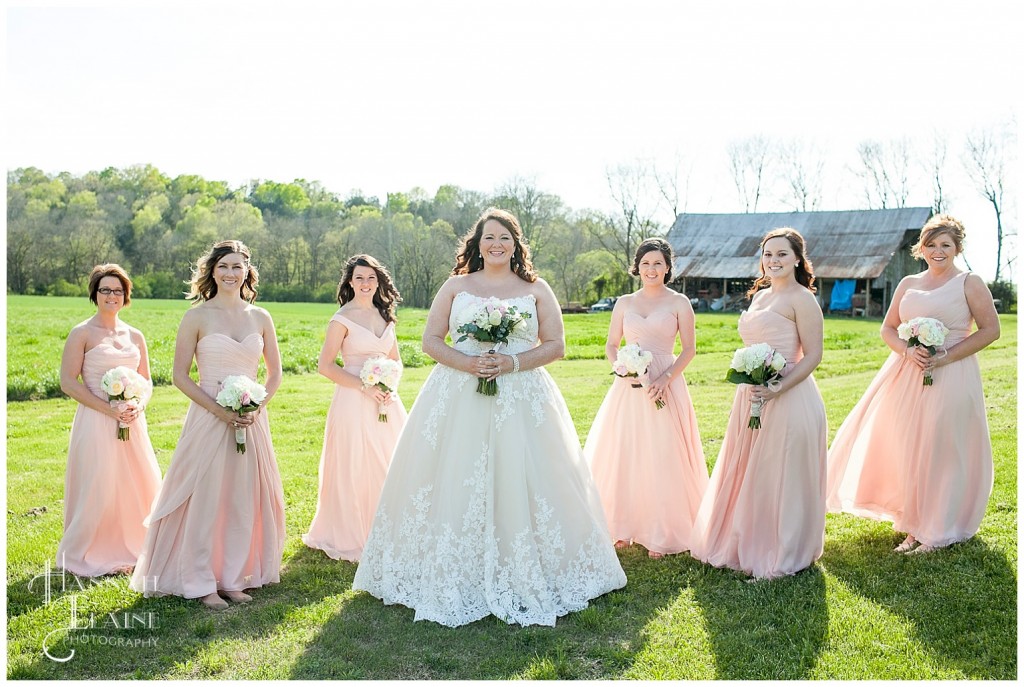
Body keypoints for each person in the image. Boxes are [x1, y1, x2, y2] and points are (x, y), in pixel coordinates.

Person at [352, 208, 626, 627]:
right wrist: (468, 364)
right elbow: (430, 340)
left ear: (516, 244)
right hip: (458, 392)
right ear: (476, 245)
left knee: (527, 477)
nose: (496, 245)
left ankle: (534, 568)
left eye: (504, 238)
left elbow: (555, 345)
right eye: (488, 238)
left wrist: (512, 363)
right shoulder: (456, 285)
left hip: (522, 395)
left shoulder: (536, 289)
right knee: (456, 475)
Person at [826, 214, 999, 554]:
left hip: (951, 373)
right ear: (921, 247)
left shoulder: (969, 282)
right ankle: (912, 523)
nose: (938, 251)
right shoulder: (908, 283)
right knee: (907, 447)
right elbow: (887, 329)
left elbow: (991, 330)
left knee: (940, 447)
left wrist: (946, 356)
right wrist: (908, 352)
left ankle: (936, 528)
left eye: (945, 245)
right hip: (906, 374)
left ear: (957, 248)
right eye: (931, 244)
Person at [130, 240, 286, 610]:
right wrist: (219, 410)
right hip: (208, 416)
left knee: (240, 498)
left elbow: (275, 373)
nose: (231, 273)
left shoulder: (260, 317)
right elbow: (180, 376)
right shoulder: (196, 317)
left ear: (247, 271)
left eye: (237, 267)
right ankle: (200, 581)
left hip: (250, 421)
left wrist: (256, 406)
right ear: (212, 271)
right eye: (223, 267)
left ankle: (232, 578)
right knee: (204, 498)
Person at [689, 228, 827, 580]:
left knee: (779, 474)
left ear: (797, 258)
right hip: (751, 396)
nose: (773, 261)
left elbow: (813, 356)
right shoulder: (761, 297)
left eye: (781, 254)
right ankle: (744, 540)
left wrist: (777, 387)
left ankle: (782, 553)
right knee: (750, 470)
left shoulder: (802, 299)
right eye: (768, 255)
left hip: (789, 395)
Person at [584, 238, 708, 558]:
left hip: (666, 381)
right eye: (645, 264)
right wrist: (621, 366)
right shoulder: (625, 303)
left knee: (663, 453)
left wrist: (665, 378)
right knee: (627, 451)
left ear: (667, 268)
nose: (651, 269)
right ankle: (623, 526)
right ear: (636, 268)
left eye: (658, 264)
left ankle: (662, 531)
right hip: (628, 386)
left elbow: (690, 349)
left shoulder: (680, 302)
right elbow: (612, 344)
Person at [56, 264, 162, 577]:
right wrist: (108, 408)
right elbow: (68, 382)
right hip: (96, 420)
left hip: (131, 421)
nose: (111, 295)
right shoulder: (82, 333)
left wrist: (139, 404)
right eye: (105, 290)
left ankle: (135, 545)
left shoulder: (135, 335)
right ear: (95, 294)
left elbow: (147, 380)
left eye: (117, 290)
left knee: (136, 483)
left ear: (126, 296)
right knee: (99, 484)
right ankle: (94, 549)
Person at [303, 255, 408, 561]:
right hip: (353, 399)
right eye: (359, 278)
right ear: (350, 282)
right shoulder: (341, 319)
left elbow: (396, 361)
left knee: (389, 461)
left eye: (371, 278)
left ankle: (387, 528)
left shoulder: (385, 316)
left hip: (386, 400)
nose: (366, 284)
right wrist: (365, 386)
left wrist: (390, 387)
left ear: (379, 282)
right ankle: (351, 531)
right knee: (355, 464)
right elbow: (325, 365)